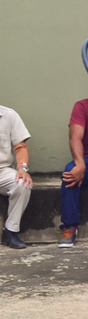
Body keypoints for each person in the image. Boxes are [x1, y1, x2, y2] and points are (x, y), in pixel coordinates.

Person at [58, 75, 88, 248]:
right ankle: (69, 226)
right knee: (70, 172)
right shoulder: (83, 106)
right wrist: (80, 164)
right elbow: (75, 137)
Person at [0, 105, 32, 249]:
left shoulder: (8, 115)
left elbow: (20, 147)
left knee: (22, 183)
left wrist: (22, 168)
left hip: (2, 170)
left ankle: (10, 231)